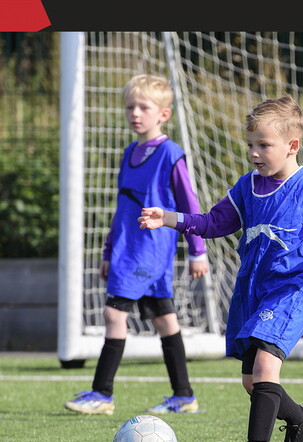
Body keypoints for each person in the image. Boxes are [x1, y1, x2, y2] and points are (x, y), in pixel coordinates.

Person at [138, 94, 303, 442]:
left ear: (292, 146)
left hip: (292, 290)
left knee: (266, 367)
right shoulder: (247, 187)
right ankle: (298, 417)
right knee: (252, 382)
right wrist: (169, 217)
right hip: (252, 290)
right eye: (250, 145)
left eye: (263, 145)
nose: (254, 153)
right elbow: (213, 223)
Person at [64, 74, 209, 416]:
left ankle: (102, 393)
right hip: (126, 251)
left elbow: (190, 206)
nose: (135, 113)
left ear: (164, 114)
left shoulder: (171, 154)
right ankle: (184, 395)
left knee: (114, 313)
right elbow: (123, 209)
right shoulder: (130, 152)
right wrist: (107, 251)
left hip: (149, 251)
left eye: (144, 107)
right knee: (164, 321)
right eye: (130, 106)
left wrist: (197, 250)